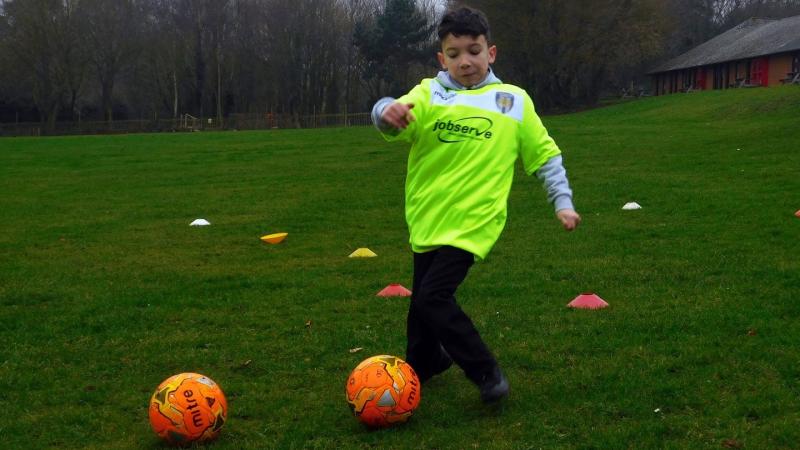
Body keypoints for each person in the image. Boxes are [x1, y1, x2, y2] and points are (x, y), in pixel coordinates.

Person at [370, 6, 581, 404]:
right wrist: (386, 111)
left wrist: (562, 202)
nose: (464, 61)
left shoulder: (513, 101)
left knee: (433, 297)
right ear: (441, 58)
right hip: (427, 217)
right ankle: (426, 361)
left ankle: (485, 370)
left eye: (473, 50)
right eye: (454, 54)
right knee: (421, 306)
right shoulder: (429, 94)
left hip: (473, 223)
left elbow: (545, 157)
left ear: (491, 53)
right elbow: (391, 114)